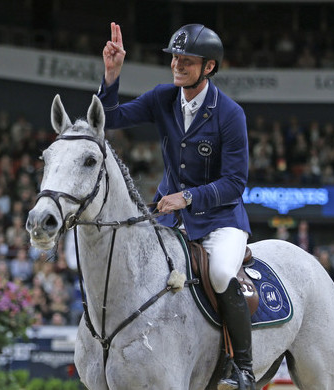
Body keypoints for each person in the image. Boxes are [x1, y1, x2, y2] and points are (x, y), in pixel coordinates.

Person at [99, 22, 254, 390]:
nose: (177, 65)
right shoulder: (163, 98)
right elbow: (109, 119)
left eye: (187, 60)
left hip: (220, 219)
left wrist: (187, 197)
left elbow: (235, 183)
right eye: (174, 58)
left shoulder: (230, 114)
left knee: (218, 273)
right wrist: (111, 75)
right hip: (170, 218)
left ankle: (242, 368)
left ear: (209, 67)